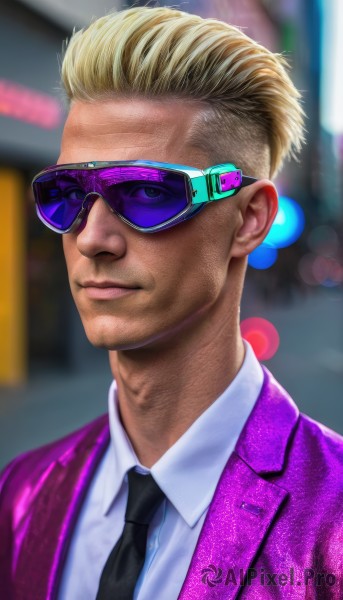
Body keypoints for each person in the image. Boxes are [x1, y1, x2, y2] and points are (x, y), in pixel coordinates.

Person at [0, 6, 342, 600]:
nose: (91, 238)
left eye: (145, 193)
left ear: (249, 219)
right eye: (64, 195)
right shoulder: (19, 495)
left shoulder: (333, 525)